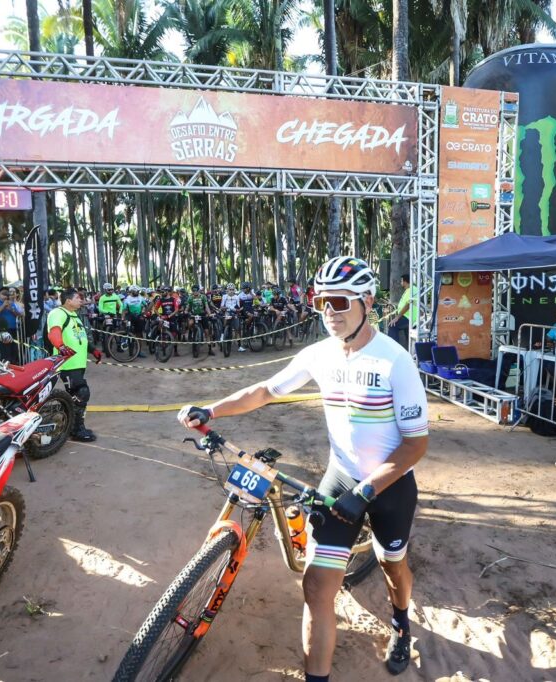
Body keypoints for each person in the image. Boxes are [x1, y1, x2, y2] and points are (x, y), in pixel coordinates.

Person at [179, 257, 428, 680]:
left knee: (393, 565)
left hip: (389, 486)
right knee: (315, 587)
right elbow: (264, 391)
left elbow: (416, 444)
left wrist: (366, 492)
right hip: (341, 477)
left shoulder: (395, 361)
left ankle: (401, 622)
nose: (328, 311)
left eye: (339, 301)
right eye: (320, 302)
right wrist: (212, 410)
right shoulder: (319, 354)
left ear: (367, 301)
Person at [46, 287, 102, 442]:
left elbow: (80, 337)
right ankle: (76, 429)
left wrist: (93, 350)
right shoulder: (58, 313)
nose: (81, 300)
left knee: (75, 396)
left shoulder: (74, 316)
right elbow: (54, 332)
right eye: (78, 298)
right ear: (68, 300)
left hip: (78, 364)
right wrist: (61, 347)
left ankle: (70, 424)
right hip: (67, 364)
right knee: (82, 393)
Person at [0, 287, 23, 363]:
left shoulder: (11, 302)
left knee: (14, 349)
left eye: (7, 294)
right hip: (2, 329)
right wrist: (3, 306)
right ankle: (6, 365)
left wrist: (11, 309)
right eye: (3, 294)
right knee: (6, 350)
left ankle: (14, 364)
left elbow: (18, 315)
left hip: (14, 329)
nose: (6, 296)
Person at [389, 273, 416, 349]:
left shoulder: (411, 290)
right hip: (408, 316)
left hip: (408, 317)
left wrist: (397, 317)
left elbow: (408, 305)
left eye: (401, 281)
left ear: (405, 281)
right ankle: (409, 352)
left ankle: (394, 349)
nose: (401, 283)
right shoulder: (409, 290)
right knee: (408, 337)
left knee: (392, 326)